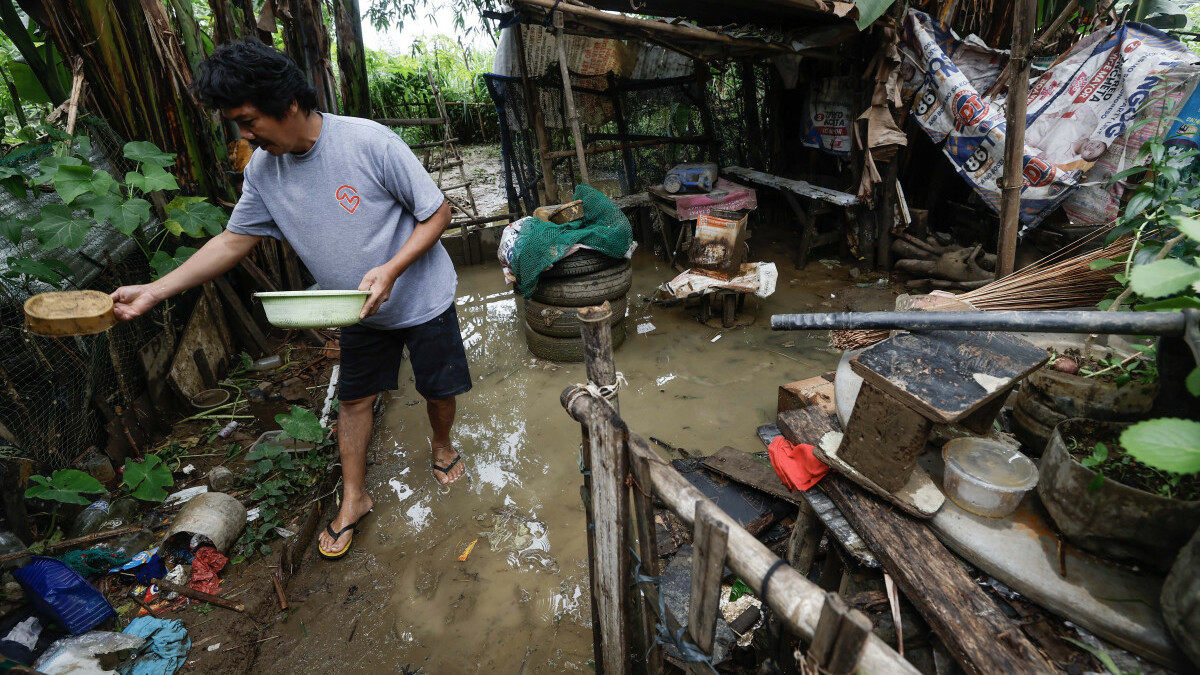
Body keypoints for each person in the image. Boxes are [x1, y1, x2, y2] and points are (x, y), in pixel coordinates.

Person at [108, 39, 471, 561]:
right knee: (353, 399)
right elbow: (233, 240)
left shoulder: (369, 142)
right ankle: (354, 496)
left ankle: (441, 445)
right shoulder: (262, 170)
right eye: (237, 123)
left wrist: (391, 269)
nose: (245, 134)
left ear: (290, 103)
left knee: (440, 389)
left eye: (249, 119)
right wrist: (154, 290)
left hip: (422, 296)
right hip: (354, 308)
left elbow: (438, 213)